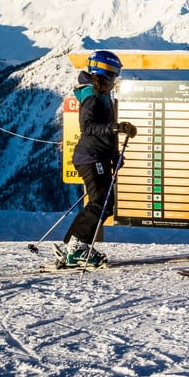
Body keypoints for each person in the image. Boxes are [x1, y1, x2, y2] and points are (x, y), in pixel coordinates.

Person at [58, 50, 137, 268]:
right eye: (113, 73)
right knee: (101, 202)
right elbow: (88, 127)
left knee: (102, 202)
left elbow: (106, 134)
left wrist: (113, 156)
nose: (115, 78)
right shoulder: (92, 95)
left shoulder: (100, 93)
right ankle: (78, 248)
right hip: (90, 156)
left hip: (96, 156)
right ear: (104, 72)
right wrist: (115, 127)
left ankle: (71, 247)